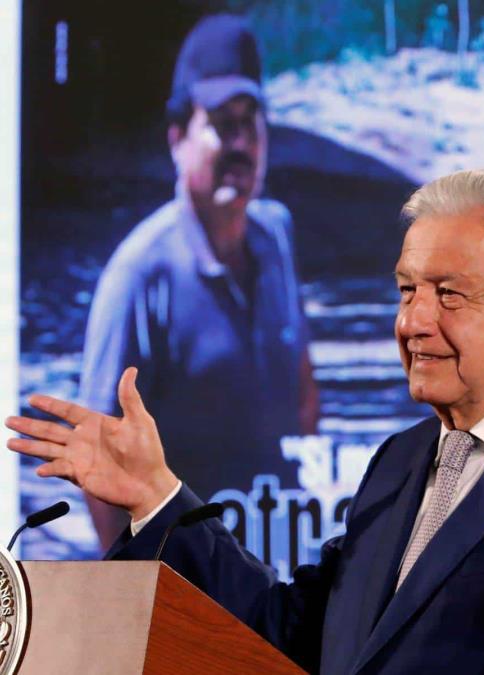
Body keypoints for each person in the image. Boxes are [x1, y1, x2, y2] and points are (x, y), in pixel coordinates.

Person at [8, 171, 484, 674]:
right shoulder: (401, 462)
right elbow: (291, 631)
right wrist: (158, 497)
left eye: (448, 293)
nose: (411, 321)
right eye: (406, 289)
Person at [78, 14, 319, 546]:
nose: (239, 144)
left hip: (272, 554)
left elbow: (302, 387)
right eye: (220, 124)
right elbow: (97, 455)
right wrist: (137, 586)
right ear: (177, 139)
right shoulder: (140, 275)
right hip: (188, 577)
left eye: (249, 124)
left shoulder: (275, 237)